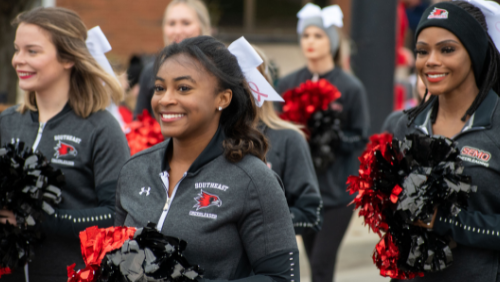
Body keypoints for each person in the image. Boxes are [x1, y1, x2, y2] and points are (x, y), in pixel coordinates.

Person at [115, 36, 299, 281]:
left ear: (222, 98)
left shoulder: (254, 180)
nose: (165, 99)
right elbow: (114, 258)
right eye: (160, 87)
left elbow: (282, 277)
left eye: (183, 88)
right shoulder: (134, 169)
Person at [0, 7, 130, 282]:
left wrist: (40, 219)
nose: (18, 60)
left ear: (68, 58)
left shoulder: (101, 128)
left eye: (32, 51)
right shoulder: (7, 122)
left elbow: (116, 216)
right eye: (17, 50)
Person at [388, 1, 500, 281]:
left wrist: (445, 221)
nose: (431, 61)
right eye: (423, 51)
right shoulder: (407, 124)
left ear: (475, 52)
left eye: (447, 49)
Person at [276, 4, 370, 282]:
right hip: (304, 192)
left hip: (337, 195)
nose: (310, 42)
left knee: (320, 266)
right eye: (306, 36)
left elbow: (361, 138)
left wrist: (331, 137)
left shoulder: (351, 87)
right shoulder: (288, 84)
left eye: (318, 35)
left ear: (331, 40)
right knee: (313, 263)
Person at [253, 45, 323, 235]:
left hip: (267, 260)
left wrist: (255, 225)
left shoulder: (288, 139)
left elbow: (310, 214)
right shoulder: (206, 138)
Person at [134, 0, 211, 118]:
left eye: (186, 23)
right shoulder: (151, 72)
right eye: (171, 24)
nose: (178, 31)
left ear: (202, 27)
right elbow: (138, 123)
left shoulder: (215, 71)